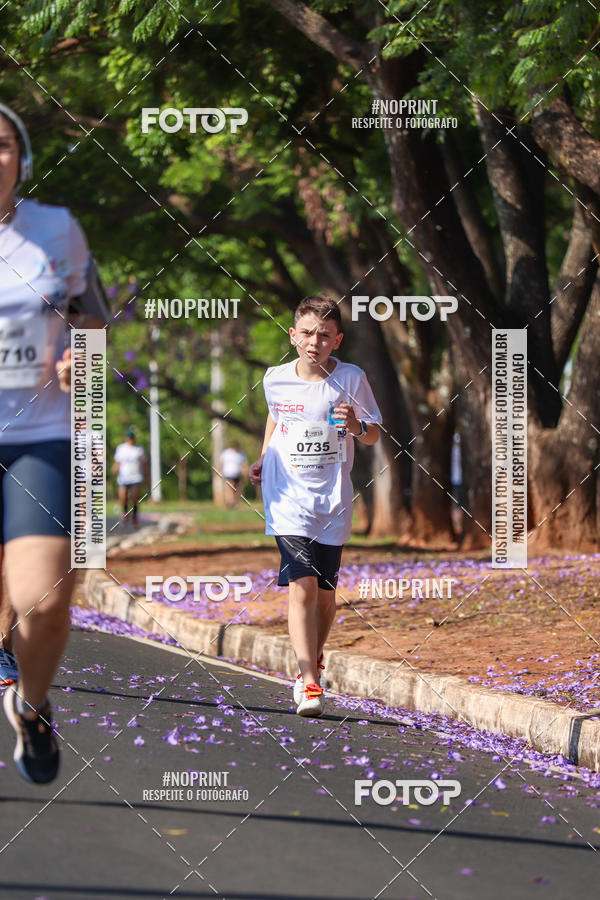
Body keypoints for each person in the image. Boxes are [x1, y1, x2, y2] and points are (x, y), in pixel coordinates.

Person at [0, 102, 110, 782]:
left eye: (2, 145)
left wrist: (82, 359)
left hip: (38, 435)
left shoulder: (54, 231)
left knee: (44, 602)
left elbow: (90, 318)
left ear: (21, 158)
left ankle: (31, 706)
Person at [249, 295, 381, 717]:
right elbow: (275, 416)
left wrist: (357, 426)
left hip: (333, 499)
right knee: (301, 585)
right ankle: (309, 682)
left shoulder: (352, 379)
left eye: (324, 335)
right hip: (286, 496)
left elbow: (375, 435)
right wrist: (263, 454)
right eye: (306, 333)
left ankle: (315, 659)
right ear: (292, 336)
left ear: (336, 340)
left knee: (326, 594)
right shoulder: (274, 378)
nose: (314, 341)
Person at [111, 427, 149, 528]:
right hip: (124, 478)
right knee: (123, 497)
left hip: (136, 477)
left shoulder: (139, 450)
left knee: (134, 498)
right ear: (126, 438)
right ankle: (125, 513)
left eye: (132, 437)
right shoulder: (121, 448)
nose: (130, 439)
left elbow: (145, 464)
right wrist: (111, 473)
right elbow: (117, 462)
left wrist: (148, 477)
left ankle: (135, 517)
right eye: (129, 437)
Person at [218, 441, 248, 508]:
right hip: (228, 473)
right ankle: (230, 502)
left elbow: (244, 464)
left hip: (237, 474)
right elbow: (221, 463)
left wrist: (245, 473)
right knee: (230, 487)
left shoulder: (241, 454)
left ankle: (234, 502)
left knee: (236, 489)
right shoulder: (226, 453)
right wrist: (220, 471)